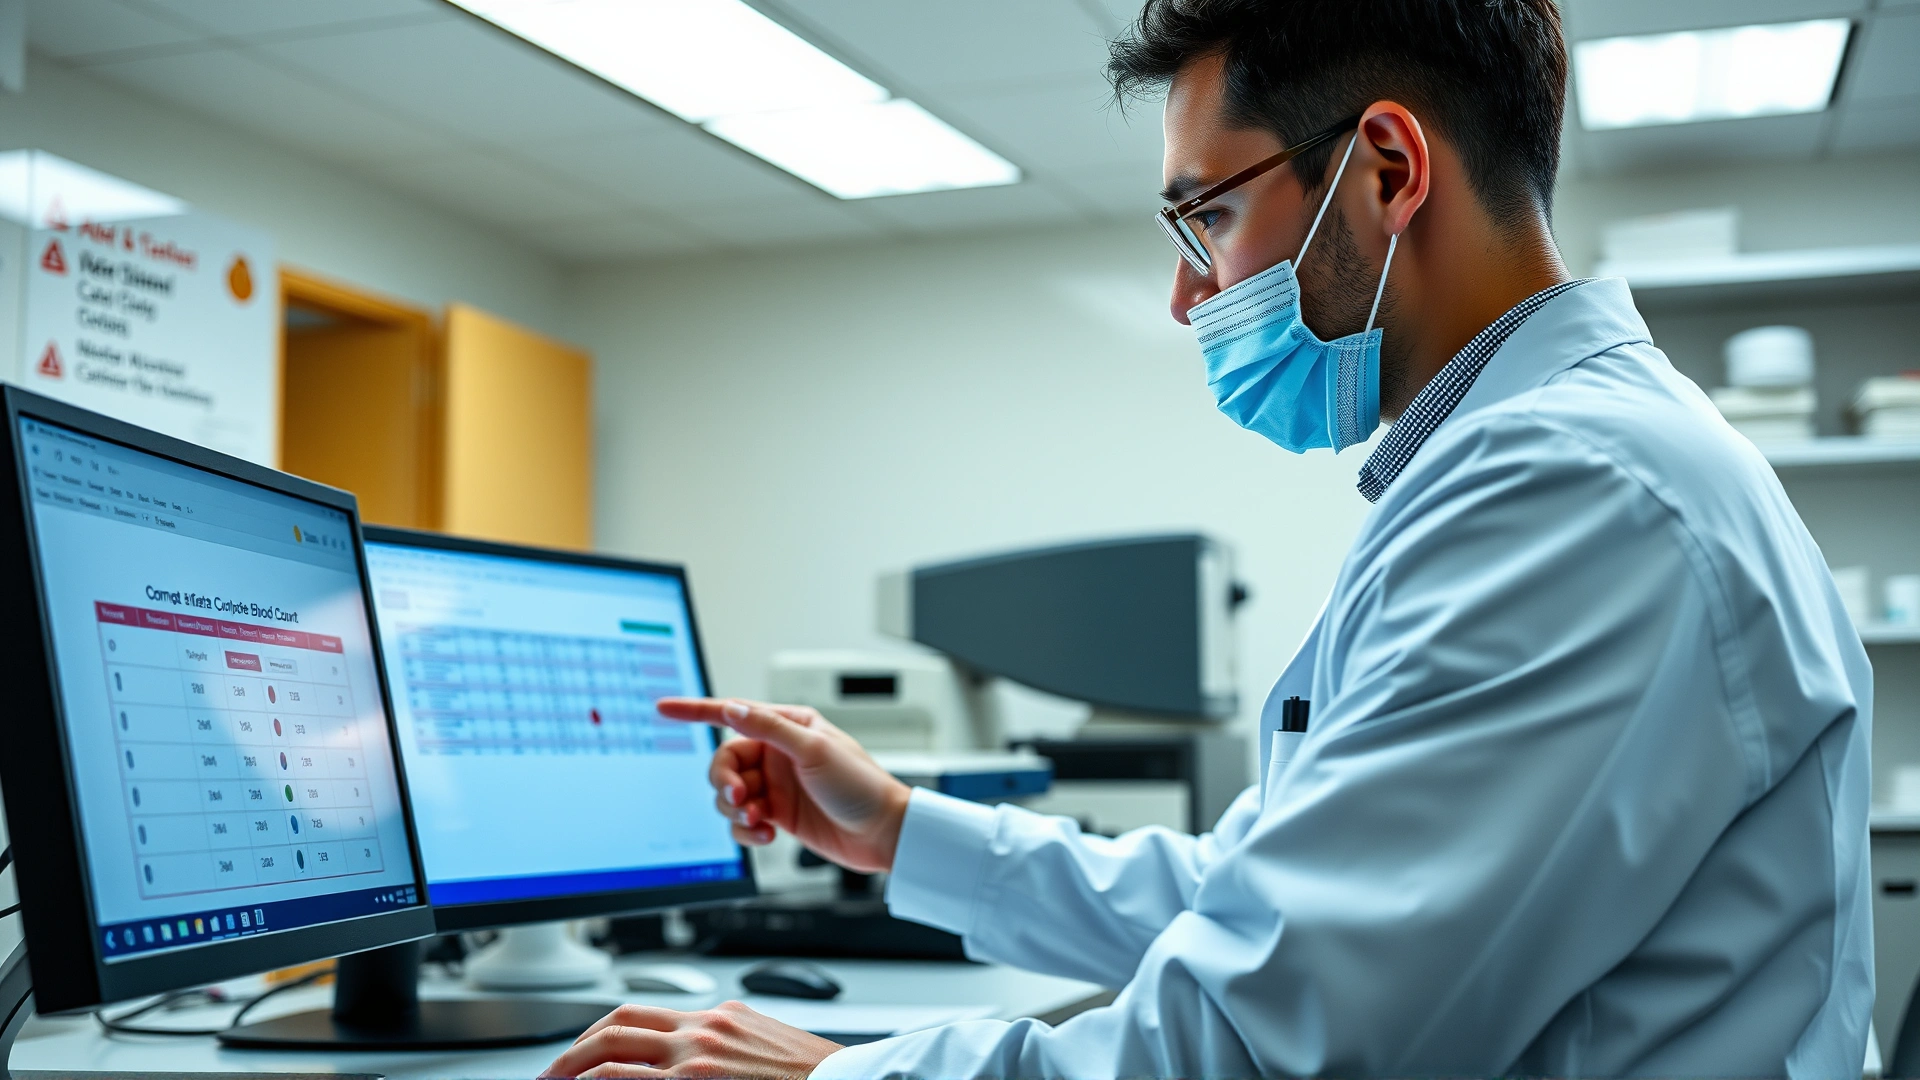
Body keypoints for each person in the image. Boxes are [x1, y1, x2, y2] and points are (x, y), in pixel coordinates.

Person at [542, 1, 1873, 1076]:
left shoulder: (1576, 495)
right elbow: (1269, 891)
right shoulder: (1536, 468)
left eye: (1208, 217)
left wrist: (838, 1077)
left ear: (1389, 172)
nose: (1187, 296)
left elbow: (1263, 1037)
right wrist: (899, 828)